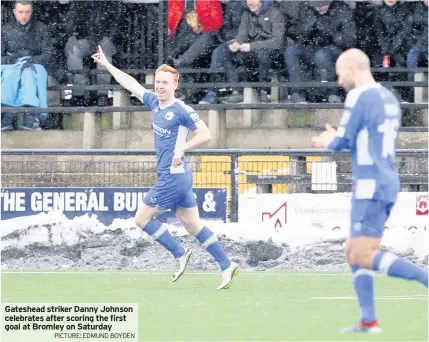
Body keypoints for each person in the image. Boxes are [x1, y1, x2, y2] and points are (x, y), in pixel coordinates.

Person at [91, 46, 239, 290]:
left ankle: (180, 253)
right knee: (192, 225)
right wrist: (107, 64)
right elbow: (130, 84)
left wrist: (182, 149)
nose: (159, 86)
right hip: (178, 177)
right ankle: (226, 264)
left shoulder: (181, 110)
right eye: (157, 82)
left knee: (141, 219)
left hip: (173, 177)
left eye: (165, 83)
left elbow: (206, 134)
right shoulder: (153, 103)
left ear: (175, 85)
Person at [311, 48, 428, 333]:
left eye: (339, 74)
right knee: (354, 250)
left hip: (370, 182)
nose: (339, 82)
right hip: (385, 178)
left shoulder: (359, 96)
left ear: (352, 69)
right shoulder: (389, 98)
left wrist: (328, 139)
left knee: (363, 253)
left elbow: (343, 141)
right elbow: (367, 138)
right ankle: (368, 320)